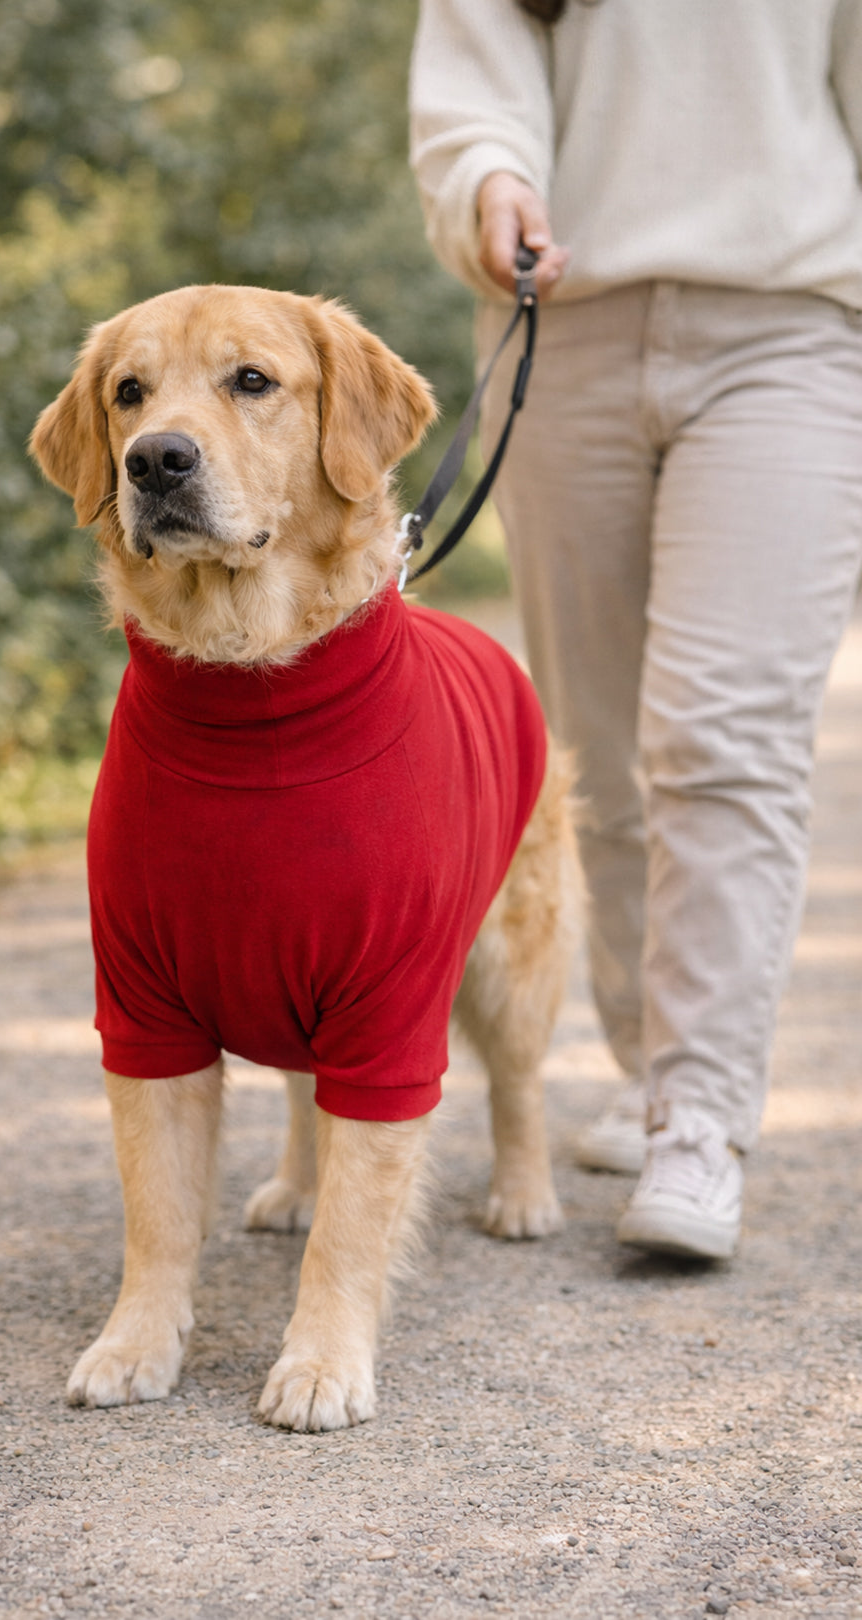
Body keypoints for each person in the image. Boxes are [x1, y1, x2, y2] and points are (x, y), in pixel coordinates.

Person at [409, 0, 862, 1258]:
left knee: (722, 731)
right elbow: (472, 85)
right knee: (595, 754)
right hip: (563, 330)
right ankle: (648, 1065)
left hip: (792, 329)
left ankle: (700, 1116)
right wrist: (490, 182)